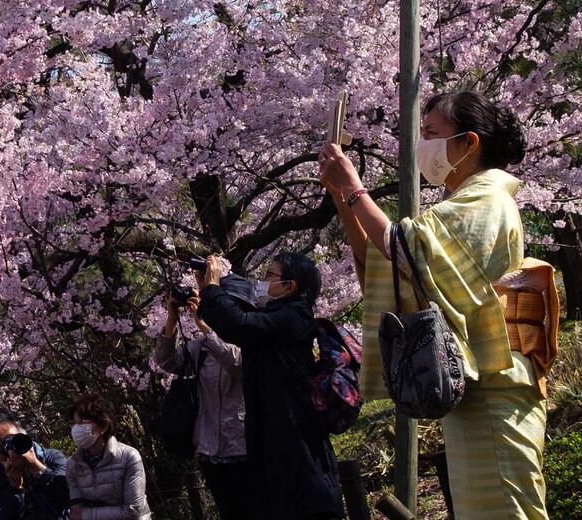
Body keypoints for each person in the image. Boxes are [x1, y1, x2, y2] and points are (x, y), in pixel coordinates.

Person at [319, 90, 550, 518]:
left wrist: (353, 189)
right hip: (477, 384)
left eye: (431, 133)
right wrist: (341, 196)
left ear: (468, 143)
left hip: (499, 384)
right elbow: (384, 265)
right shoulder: (462, 202)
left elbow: (405, 250)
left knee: (506, 508)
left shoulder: (489, 198)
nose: (422, 145)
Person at [197, 253, 344, 520]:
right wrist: (207, 291)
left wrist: (213, 289)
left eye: (270, 275)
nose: (262, 281)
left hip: (296, 438)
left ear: (291, 285)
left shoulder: (295, 316)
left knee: (309, 505)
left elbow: (239, 325)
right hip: (276, 437)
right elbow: (236, 323)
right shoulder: (276, 316)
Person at [155, 273, 254, 520]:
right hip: (211, 448)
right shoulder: (201, 348)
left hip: (244, 446)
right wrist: (171, 318)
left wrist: (204, 327)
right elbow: (167, 361)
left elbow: (236, 363)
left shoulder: (250, 339)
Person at [65, 392, 152, 520]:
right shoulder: (73, 465)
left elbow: (133, 510)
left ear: (103, 426)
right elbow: (76, 506)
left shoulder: (129, 457)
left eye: (82, 423)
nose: (76, 429)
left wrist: (86, 515)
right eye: (73, 424)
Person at [0, 420, 69, 520]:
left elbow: (68, 492)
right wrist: (14, 488)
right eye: (4, 448)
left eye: (15, 439)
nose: (12, 449)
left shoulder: (52, 457)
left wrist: (37, 468)